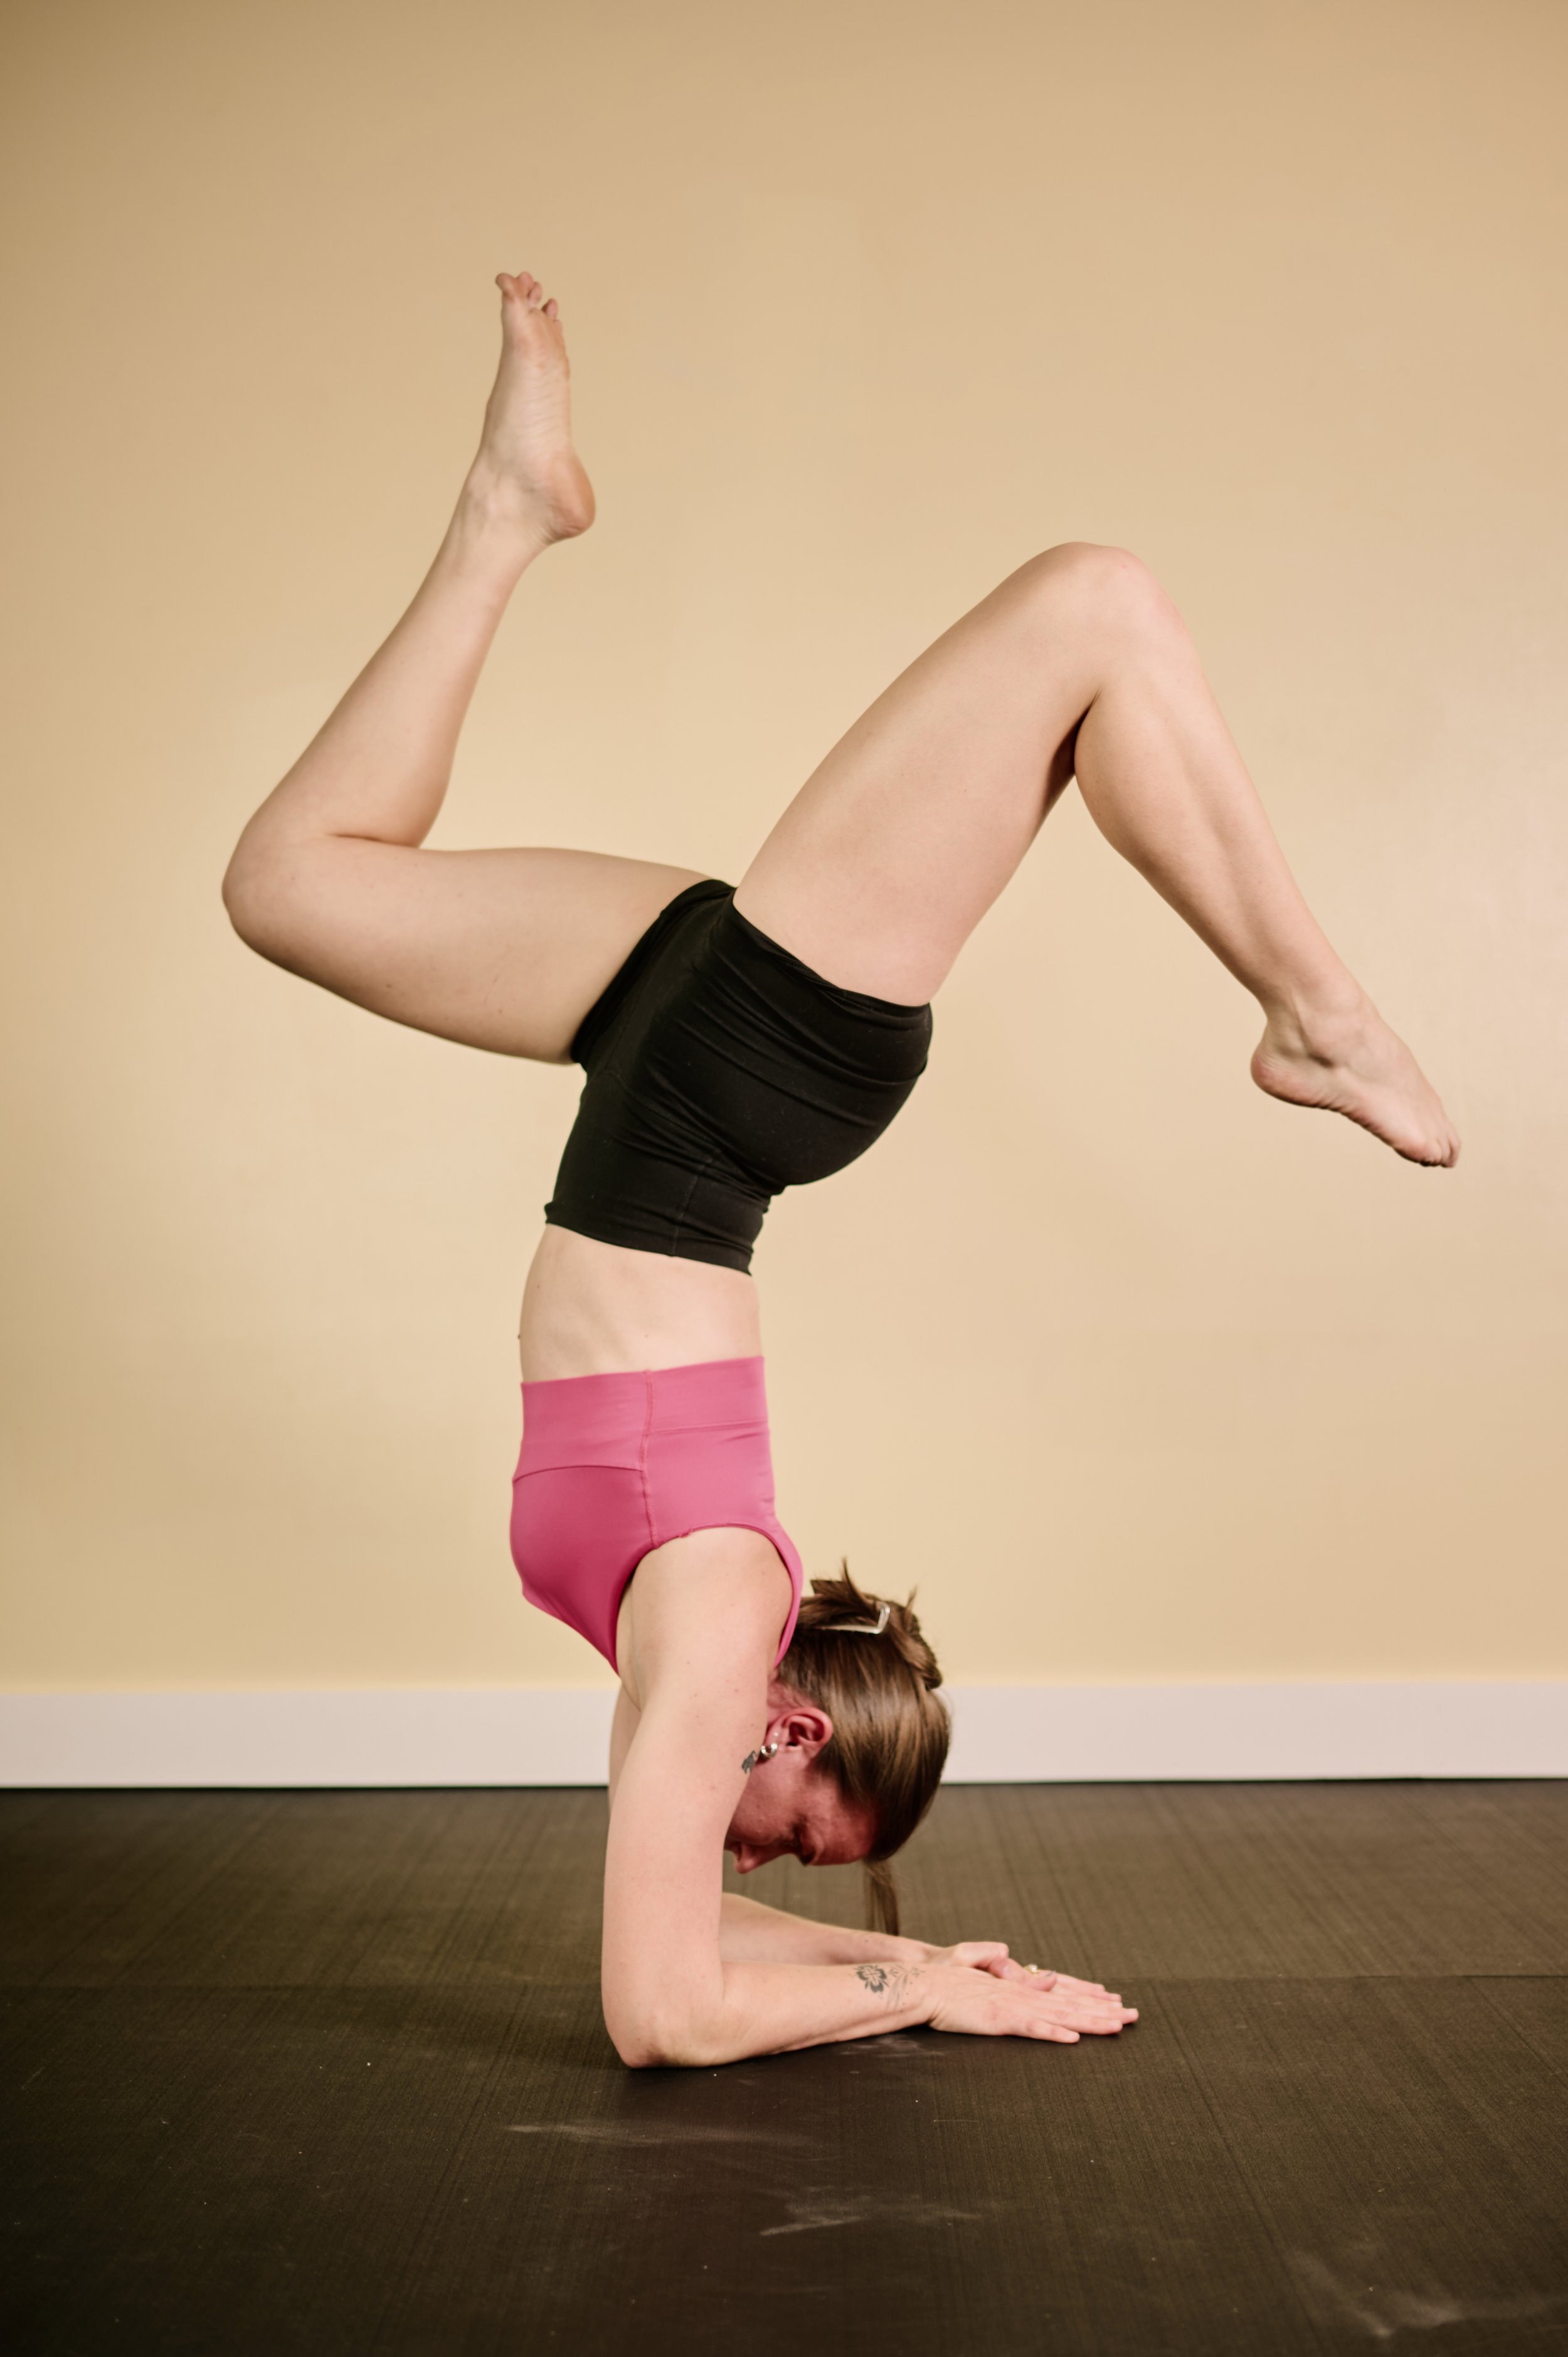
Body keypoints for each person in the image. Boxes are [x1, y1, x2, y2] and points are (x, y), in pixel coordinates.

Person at [222, 268, 1458, 2070]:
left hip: (667, 1069)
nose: (762, 1867)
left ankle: (507, 520)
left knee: (291, 883)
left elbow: (671, 1949)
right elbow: (666, 2014)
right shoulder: (719, 1618)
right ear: (797, 1737)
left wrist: (920, 1969)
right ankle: (1316, 1014)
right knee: (1091, 608)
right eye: (799, 1844)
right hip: (731, 1090)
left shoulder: (699, 1653)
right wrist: (924, 1990)